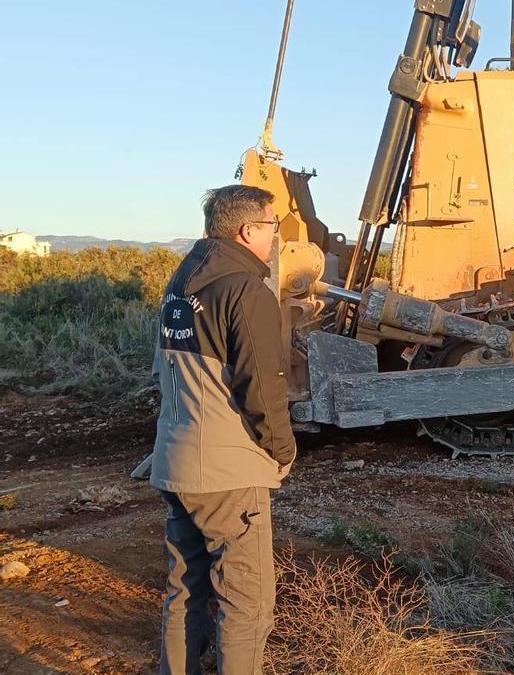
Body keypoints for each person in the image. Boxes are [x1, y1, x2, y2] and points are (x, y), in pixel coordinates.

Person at [151, 184, 296, 674]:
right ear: (248, 230)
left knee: (185, 590)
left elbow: (163, 370)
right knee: (246, 601)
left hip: (174, 459)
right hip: (227, 473)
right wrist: (281, 449)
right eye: (273, 226)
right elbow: (263, 385)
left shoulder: (180, 283)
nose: (276, 237)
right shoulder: (246, 290)